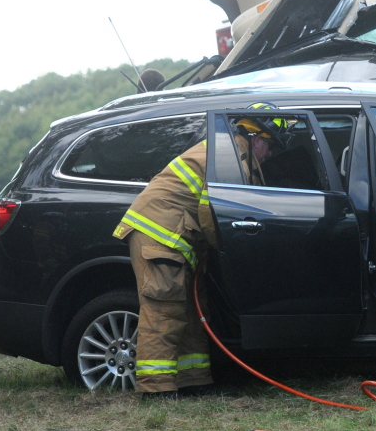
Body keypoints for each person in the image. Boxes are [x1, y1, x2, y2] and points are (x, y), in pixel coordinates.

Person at [112, 102, 284, 399]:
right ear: (258, 140)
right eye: (270, 148)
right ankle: (157, 390)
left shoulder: (230, 151)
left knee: (192, 312)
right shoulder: (230, 157)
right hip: (159, 237)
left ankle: (195, 382)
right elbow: (211, 212)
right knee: (164, 311)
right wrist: (227, 250)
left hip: (174, 240)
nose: (270, 156)